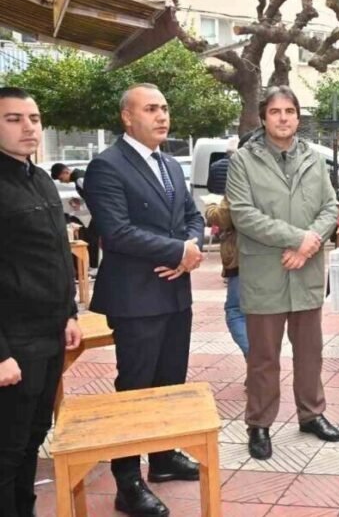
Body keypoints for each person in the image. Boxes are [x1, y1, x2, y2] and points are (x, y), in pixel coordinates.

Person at [83, 83, 205, 516]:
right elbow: (115, 232)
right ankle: (127, 480)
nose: (162, 116)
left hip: (175, 291)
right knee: (134, 388)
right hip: (135, 297)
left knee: (170, 381)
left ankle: (163, 457)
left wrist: (190, 249)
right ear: (127, 117)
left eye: (165, 108)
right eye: (151, 109)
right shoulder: (106, 166)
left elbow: (193, 216)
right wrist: (178, 251)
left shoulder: (170, 163)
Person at [226, 87, 339, 459]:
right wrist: (298, 238)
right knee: (264, 357)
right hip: (267, 270)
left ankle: (312, 414)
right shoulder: (243, 160)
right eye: (275, 111)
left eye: (290, 111)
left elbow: (330, 206)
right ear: (263, 117)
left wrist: (309, 244)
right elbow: (243, 214)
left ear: (298, 117)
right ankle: (259, 423)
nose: (283, 118)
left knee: (310, 352)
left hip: (305, 270)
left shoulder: (314, 159)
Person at [0, 88, 82, 517]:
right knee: (7, 448)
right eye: (14, 119)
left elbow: (54, 254)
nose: (28, 126)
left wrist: (69, 312)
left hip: (49, 336)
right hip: (13, 345)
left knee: (34, 437)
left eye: (33, 117)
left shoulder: (41, 179)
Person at [203, 194, 248, 356]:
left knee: (235, 313)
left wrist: (210, 206)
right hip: (270, 259)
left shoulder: (241, 179)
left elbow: (222, 218)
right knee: (261, 318)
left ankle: (259, 363)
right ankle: (258, 369)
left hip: (241, 257)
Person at [51, 161, 100, 267]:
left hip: (100, 211)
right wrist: (80, 201)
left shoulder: (79, 179)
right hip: (99, 211)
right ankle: (93, 266)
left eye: (61, 179)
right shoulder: (80, 177)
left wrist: (81, 206)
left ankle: (94, 266)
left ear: (65, 172)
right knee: (92, 236)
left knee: (92, 237)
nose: (63, 182)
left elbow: (96, 197)